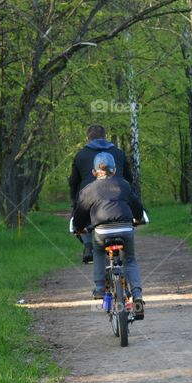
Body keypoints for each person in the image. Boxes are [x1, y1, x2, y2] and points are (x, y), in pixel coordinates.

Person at [72, 152, 145, 314]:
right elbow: (137, 207)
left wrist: (79, 228)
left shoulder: (88, 190)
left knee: (97, 252)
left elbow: (80, 215)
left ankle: (99, 287)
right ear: (115, 169)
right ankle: (137, 295)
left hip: (101, 231)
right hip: (125, 229)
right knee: (130, 260)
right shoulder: (124, 185)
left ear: (93, 172)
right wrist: (138, 219)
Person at [69, 124, 134, 264]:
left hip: (91, 199)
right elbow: (129, 179)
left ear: (88, 138)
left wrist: (75, 203)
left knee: (82, 213)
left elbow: (73, 182)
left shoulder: (80, 155)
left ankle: (88, 246)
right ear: (105, 137)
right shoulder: (118, 153)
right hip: (117, 198)